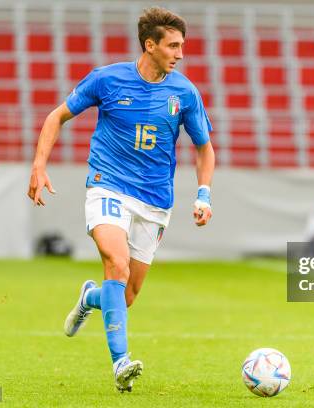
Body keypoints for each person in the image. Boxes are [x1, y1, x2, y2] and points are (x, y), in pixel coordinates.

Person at [26, 7, 215, 393]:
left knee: (125, 296)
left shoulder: (184, 92)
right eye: (173, 46)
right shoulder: (108, 80)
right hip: (107, 185)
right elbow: (56, 117)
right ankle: (121, 364)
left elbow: (204, 148)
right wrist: (38, 166)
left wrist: (203, 194)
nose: (181, 54)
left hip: (155, 201)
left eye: (182, 46)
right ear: (150, 45)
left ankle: (90, 298)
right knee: (117, 262)